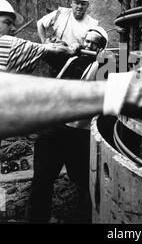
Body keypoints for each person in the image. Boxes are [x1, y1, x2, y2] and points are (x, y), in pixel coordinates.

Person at [27, 27, 109, 224]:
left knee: (84, 183)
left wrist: (105, 58)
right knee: (41, 181)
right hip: (54, 129)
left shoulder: (103, 67)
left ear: (100, 48)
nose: (88, 45)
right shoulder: (72, 59)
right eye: (86, 41)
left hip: (79, 135)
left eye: (94, 43)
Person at [0, 0, 76, 73]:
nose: (14, 28)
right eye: (7, 22)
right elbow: (53, 49)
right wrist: (72, 49)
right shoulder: (9, 43)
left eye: (13, 24)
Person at [37, 0, 99, 76]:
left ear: (87, 5)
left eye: (83, 4)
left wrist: (80, 47)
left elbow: (93, 47)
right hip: (56, 60)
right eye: (77, 3)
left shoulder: (93, 24)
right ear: (71, 3)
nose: (79, 6)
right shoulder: (60, 14)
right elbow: (40, 24)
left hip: (77, 64)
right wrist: (44, 41)